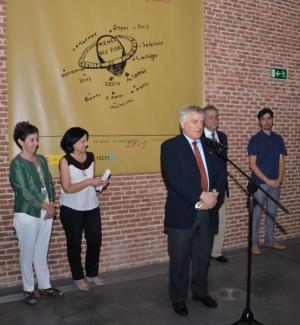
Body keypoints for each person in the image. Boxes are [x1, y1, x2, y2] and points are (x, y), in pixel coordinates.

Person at [161, 106, 225, 316]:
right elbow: (174, 178)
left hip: (208, 211)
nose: (200, 125)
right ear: (183, 124)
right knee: (179, 259)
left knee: (202, 256)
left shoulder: (211, 146)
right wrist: (201, 195)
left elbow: (220, 174)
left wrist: (214, 194)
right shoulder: (171, 146)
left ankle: (200, 291)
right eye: (195, 121)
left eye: (201, 121)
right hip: (183, 212)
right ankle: (178, 298)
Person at [9, 121, 64, 306]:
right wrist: (45, 206)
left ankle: (45, 286)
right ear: (21, 141)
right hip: (27, 214)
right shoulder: (16, 164)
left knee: (41, 251)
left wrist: (53, 203)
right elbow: (24, 191)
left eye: (36, 139)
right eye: (31, 140)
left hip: (45, 211)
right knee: (27, 253)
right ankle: (28, 289)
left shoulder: (40, 159)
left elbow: (48, 181)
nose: (35, 143)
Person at [59, 127, 109, 291]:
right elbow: (67, 188)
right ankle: (78, 277)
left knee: (95, 240)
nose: (86, 144)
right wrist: (89, 182)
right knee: (74, 244)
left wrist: (100, 184)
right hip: (71, 208)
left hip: (91, 206)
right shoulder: (64, 161)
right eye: (83, 141)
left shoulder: (91, 156)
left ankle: (92, 273)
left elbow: (91, 183)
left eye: (86, 140)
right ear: (72, 142)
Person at [247, 107, 287, 255]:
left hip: (276, 183)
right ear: (259, 122)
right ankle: (254, 243)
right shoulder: (255, 140)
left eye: (269, 118)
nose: (266, 121)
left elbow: (281, 160)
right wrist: (268, 181)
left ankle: (270, 241)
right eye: (263, 119)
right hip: (260, 184)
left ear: (272, 119)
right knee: (256, 214)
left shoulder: (278, 138)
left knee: (272, 213)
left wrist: (279, 179)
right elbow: (252, 164)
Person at [203, 105, 229, 263]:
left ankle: (216, 252)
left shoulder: (223, 136)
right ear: (204, 119)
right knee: (205, 223)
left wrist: (222, 186)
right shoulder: (200, 138)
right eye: (211, 116)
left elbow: (223, 164)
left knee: (221, 219)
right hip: (206, 189)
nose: (215, 119)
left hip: (222, 187)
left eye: (216, 116)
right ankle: (203, 255)